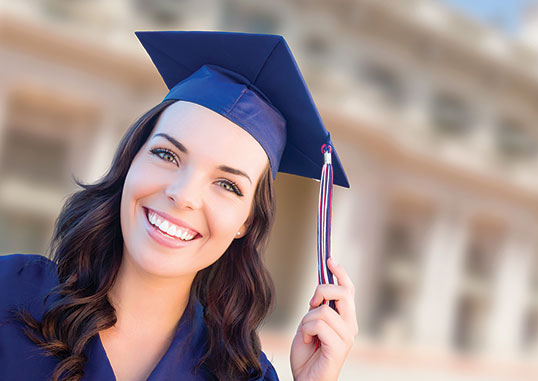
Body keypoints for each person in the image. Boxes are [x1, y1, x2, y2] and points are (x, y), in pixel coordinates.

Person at [0, 31, 358, 380]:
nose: (184, 195)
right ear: (130, 162)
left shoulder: (242, 375)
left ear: (245, 222)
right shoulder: (9, 291)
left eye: (227, 184)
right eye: (166, 154)